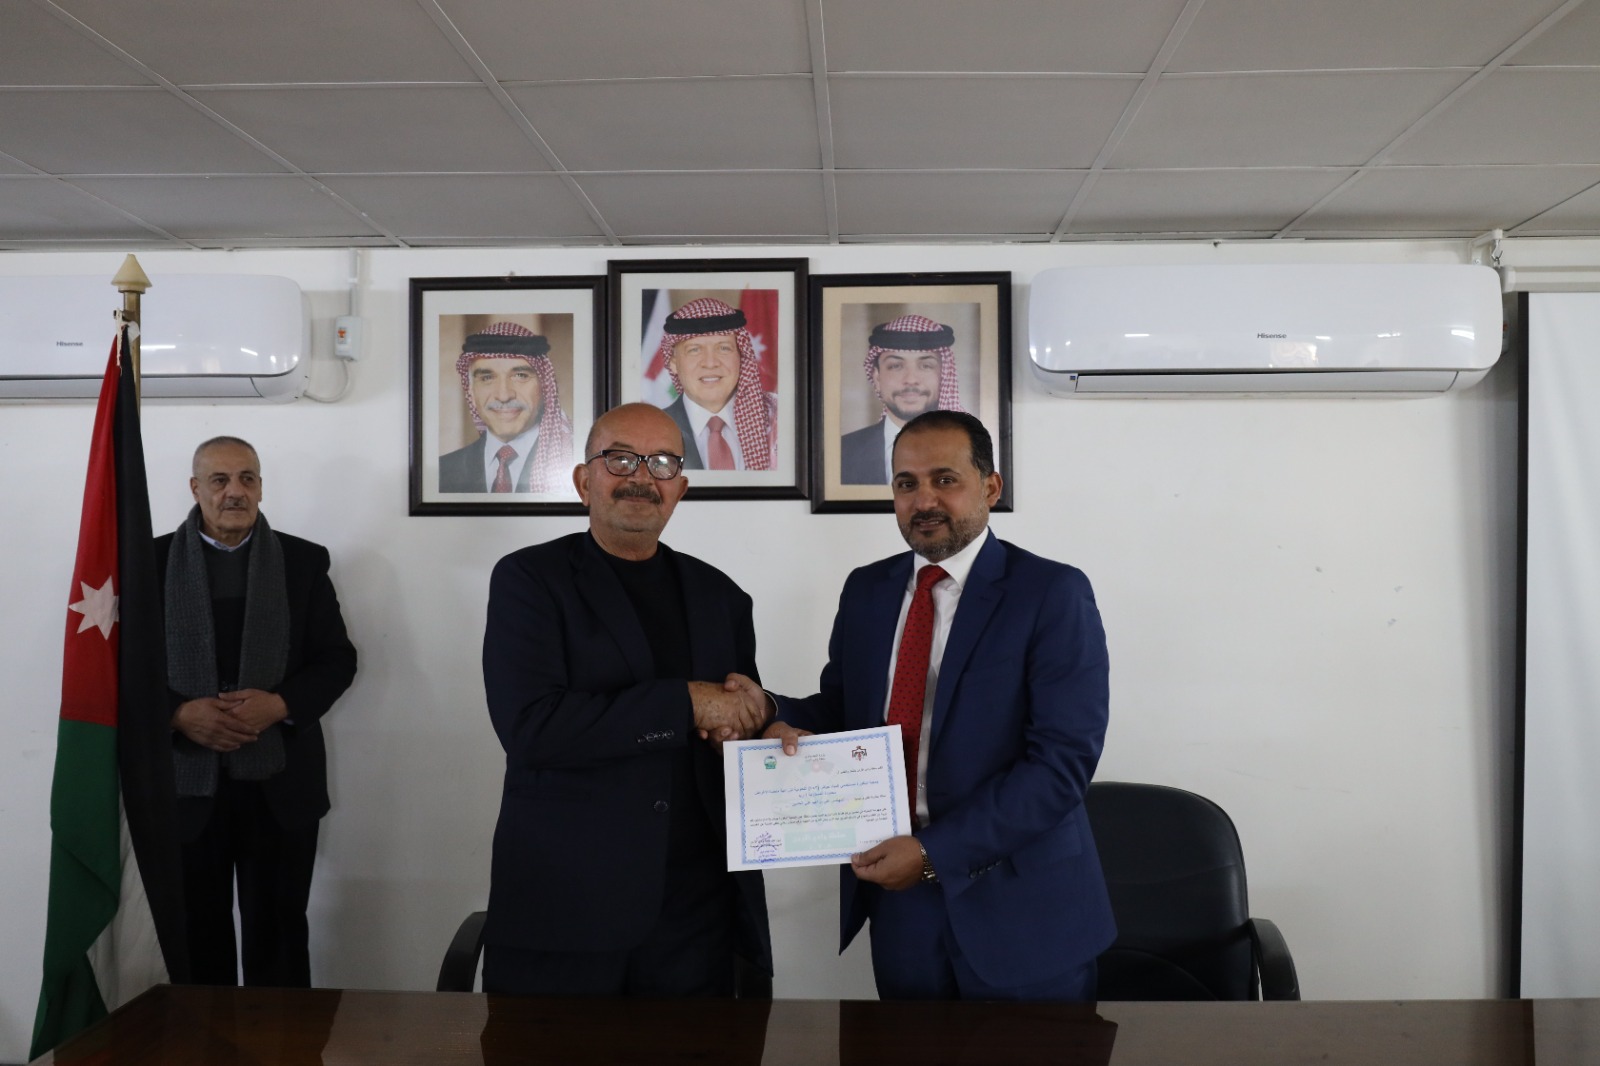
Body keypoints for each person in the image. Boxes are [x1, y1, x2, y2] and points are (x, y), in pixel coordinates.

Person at [753, 410, 1114, 1001]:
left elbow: (1060, 766)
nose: (923, 500)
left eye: (945, 479)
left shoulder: (1051, 592)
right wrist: (770, 711)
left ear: (990, 487)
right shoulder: (867, 590)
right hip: (902, 906)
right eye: (906, 483)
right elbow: (845, 710)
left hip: (1023, 907)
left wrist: (931, 853)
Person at [479, 402, 773, 996]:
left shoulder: (722, 596)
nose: (641, 476)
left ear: (679, 489)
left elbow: (735, 718)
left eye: (662, 463)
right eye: (620, 459)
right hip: (567, 905)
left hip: (697, 914)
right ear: (583, 480)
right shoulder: (530, 580)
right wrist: (686, 704)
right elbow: (531, 728)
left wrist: (766, 722)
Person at [157, 436, 357, 987]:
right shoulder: (149, 564)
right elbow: (123, 672)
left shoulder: (302, 562)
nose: (235, 492)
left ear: (262, 487)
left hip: (280, 785)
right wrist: (178, 714)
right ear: (195, 489)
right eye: (219, 480)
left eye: (247, 478)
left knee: (280, 941)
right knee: (196, 941)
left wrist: (281, 704)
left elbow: (337, 659)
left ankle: (283, 1037)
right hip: (185, 789)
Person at [439, 321, 576, 494]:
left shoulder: (574, 461)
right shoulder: (442, 471)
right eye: (487, 378)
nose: (503, 395)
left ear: (545, 387)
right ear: (471, 393)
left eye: (520, 376)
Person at [654, 297, 777, 471]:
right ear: (673, 362)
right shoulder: (651, 428)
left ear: (741, 356)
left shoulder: (778, 420)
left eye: (724, 348)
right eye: (694, 350)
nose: (710, 363)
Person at [840, 315, 965, 485]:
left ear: (943, 376)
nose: (911, 379)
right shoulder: (843, 452)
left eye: (926, 366)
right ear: (877, 378)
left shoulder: (970, 447)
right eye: (896, 366)